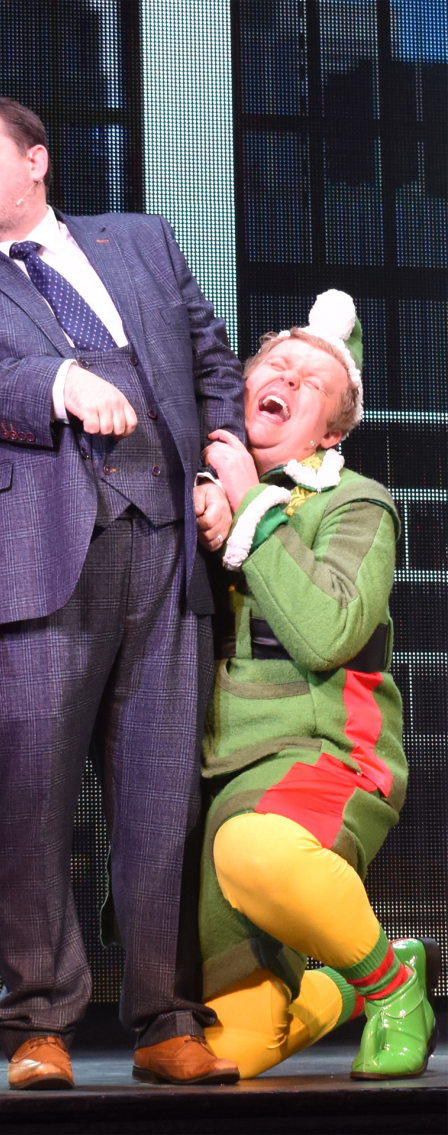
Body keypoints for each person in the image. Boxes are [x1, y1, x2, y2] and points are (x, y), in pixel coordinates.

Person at [0, 92, 245, 1088]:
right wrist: (54, 382)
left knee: (161, 800)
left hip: (165, 548)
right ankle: (39, 1021)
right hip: (29, 558)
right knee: (26, 798)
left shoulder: (142, 241)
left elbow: (210, 359)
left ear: (35, 160)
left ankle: (167, 1018)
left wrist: (226, 456)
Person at [198, 290, 438, 1080]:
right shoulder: (191, 492)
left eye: (313, 381)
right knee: (228, 1054)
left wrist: (251, 505)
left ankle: (393, 988)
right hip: (212, 780)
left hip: (318, 751)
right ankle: (348, 983)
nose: (289, 379)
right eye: (277, 364)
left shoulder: (355, 503)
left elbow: (328, 631)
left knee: (256, 848)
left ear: (331, 431)